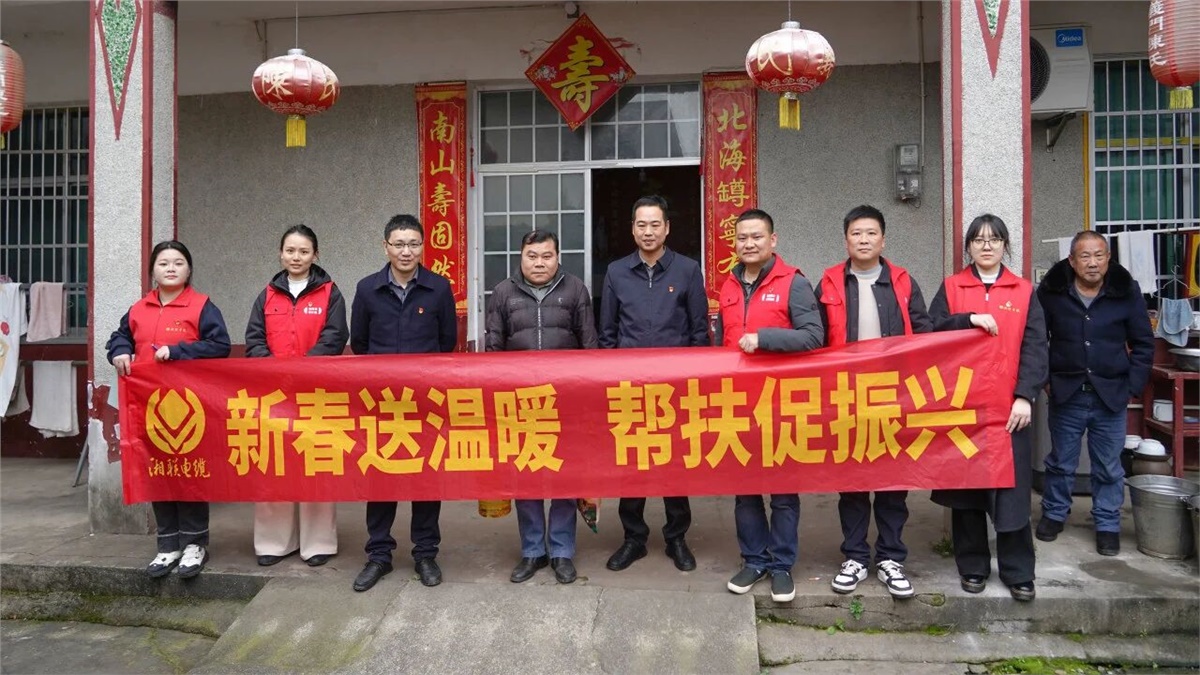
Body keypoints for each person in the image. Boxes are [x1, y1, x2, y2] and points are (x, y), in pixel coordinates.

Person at [814, 204, 932, 599]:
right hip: (846, 395)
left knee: (892, 480)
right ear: (845, 239)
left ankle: (891, 558)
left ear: (883, 239)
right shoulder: (829, 282)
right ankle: (855, 557)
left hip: (893, 394)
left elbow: (926, 333)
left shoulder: (902, 281)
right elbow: (814, 338)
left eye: (871, 233)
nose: (863, 240)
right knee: (852, 480)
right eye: (856, 233)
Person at [928, 214, 1047, 602]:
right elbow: (930, 331)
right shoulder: (952, 287)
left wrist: (1025, 395)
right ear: (968, 247)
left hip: (1009, 411)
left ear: (1005, 246)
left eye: (994, 239)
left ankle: (1018, 571)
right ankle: (973, 566)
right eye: (978, 240)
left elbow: (1036, 347)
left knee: (1012, 493)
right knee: (967, 492)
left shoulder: (1024, 291)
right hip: (964, 408)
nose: (986, 246)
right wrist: (968, 319)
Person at [715, 208, 824, 603]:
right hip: (737, 401)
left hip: (781, 402)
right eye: (742, 238)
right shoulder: (728, 286)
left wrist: (764, 339)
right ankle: (754, 559)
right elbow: (720, 342)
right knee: (744, 490)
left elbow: (814, 336)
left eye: (757, 237)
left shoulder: (794, 282)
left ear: (772, 240)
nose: (749, 244)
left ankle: (781, 565)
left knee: (782, 492)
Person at [106, 240, 231, 579]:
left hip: (191, 407)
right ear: (153, 271)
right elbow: (119, 337)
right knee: (158, 471)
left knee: (189, 472)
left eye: (178, 262)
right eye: (163, 263)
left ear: (189, 270)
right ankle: (167, 545)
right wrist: (119, 351)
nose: (171, 268)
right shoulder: (138, 309)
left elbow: (219, 345)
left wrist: (178, 352)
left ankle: (195, 544)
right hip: (149, 407)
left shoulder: (202, 306)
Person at [599, 195, 708, 574]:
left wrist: (695, 382)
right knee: (632, 464)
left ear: (667, 228)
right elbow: (607, 332)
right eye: (641, 225)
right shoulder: (616, 272)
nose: (648, 231)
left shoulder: (688, 270)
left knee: (674, 464)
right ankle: (634, 538)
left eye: (655, 224)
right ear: (633, 229)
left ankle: (677, 537)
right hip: (629, 388)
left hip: (675, 389)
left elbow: (699, 332)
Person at [350, 214, 457, 592]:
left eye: (413, 244)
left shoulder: (439, 288)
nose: (406, 251)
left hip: (426, 402)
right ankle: (379, 554)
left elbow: (447, 343)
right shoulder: (367, 289)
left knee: (426, 479)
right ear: (386, 247)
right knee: (381, 478)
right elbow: (360, 344)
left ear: (422, 247)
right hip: (381, 403)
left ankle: (425, 553)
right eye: (398, 244)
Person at [486, 229, 598, 584]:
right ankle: (532, 550)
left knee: (565, 476)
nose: (539, 263)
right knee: (527, 477)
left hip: (567, 400)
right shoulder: (503, 292)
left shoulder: (575, 290)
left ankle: (562, 551)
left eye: (546, 256)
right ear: (521, 257)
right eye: (532, 256)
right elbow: (493, 349)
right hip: (521, 402)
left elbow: (590, 345)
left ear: (557, 257)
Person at [1035, 230, 1154, 556]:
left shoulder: (1125, 291)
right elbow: (1036, 338)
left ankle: (1107, 523)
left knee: (1109, 466)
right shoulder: (1053, 292)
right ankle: (1054, 513)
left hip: (1111, 394)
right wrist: (1045, 379)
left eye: (1099, 255)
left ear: (1108, 258)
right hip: (1067, 392)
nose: (1092, 263)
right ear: (1072, 261)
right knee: (1060, 462)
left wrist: (1132, 387)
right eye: (1085, 256)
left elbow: (1143, 344)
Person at [245, 225, 348, 568]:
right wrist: (275, 371)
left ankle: (318, 542)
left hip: (316, 393)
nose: (296, 257)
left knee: (315, 465)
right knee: (274, 465)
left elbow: (335, 337)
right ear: (280, 254)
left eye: (304, 251)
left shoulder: (330, 293)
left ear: (315, 255)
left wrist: (303, 371)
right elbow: (254, 339)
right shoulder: (266, 295)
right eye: (290, 250)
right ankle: (274, 542)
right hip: (274, 395)